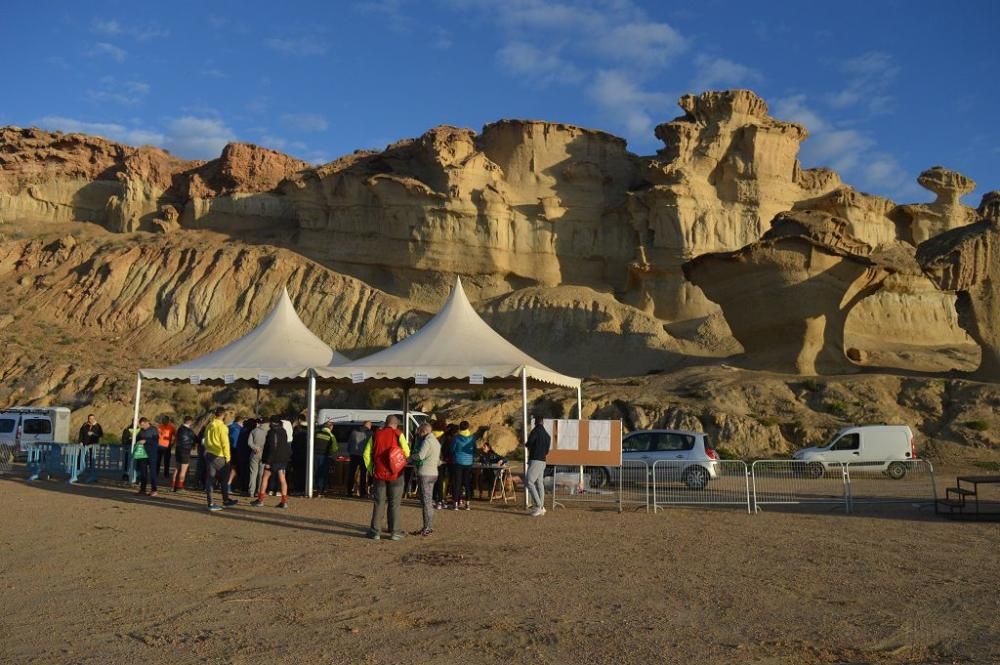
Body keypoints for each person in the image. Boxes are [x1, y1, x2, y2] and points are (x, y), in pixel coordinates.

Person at [364, 415, 410, 540]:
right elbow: (407, 452)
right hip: (396, 474)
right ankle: (394, 532)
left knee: (379, 503)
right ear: (396, 424)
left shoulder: (375, 435)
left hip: (379, 474)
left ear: (385, 423)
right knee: (394, 503)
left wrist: (371, 469)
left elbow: (366, 454)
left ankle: (375, 532)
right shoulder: (398, 434)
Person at [203, 407, 236, 512]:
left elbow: (205, 440)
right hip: (220, 455)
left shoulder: (209, 425)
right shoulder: (222, 427)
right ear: (223, 415)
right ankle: (225, 500)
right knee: (224, 480)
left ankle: (210, 502)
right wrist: (228, 457)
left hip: (210, 454)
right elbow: (225, 443)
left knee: (210, 479)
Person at [252, 416, 290, 508]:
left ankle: (260, 500)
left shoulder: (271, 432)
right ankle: (284, 501)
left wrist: (268, 461)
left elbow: (272, 447)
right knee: (282, 479)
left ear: (272, 423)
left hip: (273, 460)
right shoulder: (283, 431)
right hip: (282, 459)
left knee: (265, 478)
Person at [411, 423, 440, 537]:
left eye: (419, 432)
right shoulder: (436, 441)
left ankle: (427, 528)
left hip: (425, 474)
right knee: (429, 501)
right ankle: (429, 526)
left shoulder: (427, 441)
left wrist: (410, 457)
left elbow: (420, 456)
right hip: (433, 473)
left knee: (426, 502)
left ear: (423, 431)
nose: (418, 434)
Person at [450, 421, 485, 510]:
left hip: (458, 462)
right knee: (467, 482)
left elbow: (452, 449)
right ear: (468, 427)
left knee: (457, 483)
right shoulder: (472, 438)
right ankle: (468, 504)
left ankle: (456, 503)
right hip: (468, 462)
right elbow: (474, 450)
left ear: (460, 427)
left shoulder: (456, 438)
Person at [525, 415, 551, 517]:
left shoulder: (535, 431)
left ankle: (539, 506)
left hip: (535, 459)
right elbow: (547, 451)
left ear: (535, 422)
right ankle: (542, 506)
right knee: (540, 483)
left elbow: (530, 443)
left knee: (529, 481)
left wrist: (526, 445)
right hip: (543, 460)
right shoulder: (547, 435)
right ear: (543, 422)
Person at [134, 418, 160, 496]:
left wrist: (146, 441)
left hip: (152, 454)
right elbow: (137, 439)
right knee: (143, 472)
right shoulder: (141, 431)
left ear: (147, 422)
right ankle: (142, 489)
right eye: (141, 425)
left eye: (143, 424)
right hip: (142, 453)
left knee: (152, 472)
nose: (142, 426)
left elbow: (155, 441)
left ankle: (154, 490)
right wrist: (137, 442)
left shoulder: (153, 430)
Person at [434, 423, 457, 509]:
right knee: (445, 480)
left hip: (437, 461)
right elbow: (448, 450)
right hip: (445, 461)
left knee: (439, 480)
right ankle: (442, 499)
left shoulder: (435, 436)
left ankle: (439, 500)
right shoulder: (447, 438)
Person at [171, 416, 197, 491]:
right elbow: (196, 439)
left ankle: (173, 486)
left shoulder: (179, 429)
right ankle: (180, 486)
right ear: (190, 422)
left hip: (178, 450)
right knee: (183, 470)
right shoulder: (189, 431)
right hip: (185, 451)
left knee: (176, 468)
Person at [346, 421, 371, 498]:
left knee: (352, 473)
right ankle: (362, 492)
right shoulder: (369, 434)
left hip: (353, 455)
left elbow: (349, 445)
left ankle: (349, 491)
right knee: (363, 475)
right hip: (363, 456)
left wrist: (350, 452)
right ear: (368, 426)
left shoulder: (353, 433)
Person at [313, 419, 338, 496]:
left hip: (315, 455)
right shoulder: (331, 436)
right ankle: (321, 490)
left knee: (315, 472)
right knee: (322, 473)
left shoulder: (316, 433)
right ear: (330, 427)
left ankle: (315, 487)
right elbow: (335, 448)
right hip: (324, 456)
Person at [247, 417, 269, 497]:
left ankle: (251, 492)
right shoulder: (269, 432)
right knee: (261, 474)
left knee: (253, 473)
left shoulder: (254, 430)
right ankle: (259, 491)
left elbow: (249, 443)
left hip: (255, 453)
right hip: (265, 454)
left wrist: (255, 447)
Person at [290, 415, 308, 495]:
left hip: (297, 454)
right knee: (304, 473)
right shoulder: (310, 429)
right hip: (306, 455)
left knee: (297, 473)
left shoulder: (297, 429)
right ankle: (304, 489)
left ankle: (297, 489)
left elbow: (293, 442)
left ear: (299, 420)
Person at [226, 414, 243, 494]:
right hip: (235, 450)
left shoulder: (228, 426)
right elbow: (236, 442)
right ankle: (228, 484)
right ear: (240, 421)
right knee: (233, 468)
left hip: (227, 449)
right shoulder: (239, 429)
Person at [156, 416, 176, 480]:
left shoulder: (171, 427)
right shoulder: (159, 427)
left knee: (166, 461)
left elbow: (176, 435)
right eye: (162, 420)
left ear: (168, 420)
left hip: (167, 446)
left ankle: (166, 474)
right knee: (157, 460)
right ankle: (156, 473)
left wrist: (173, 443)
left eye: (164, 420)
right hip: (158, 446)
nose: (163, 421)